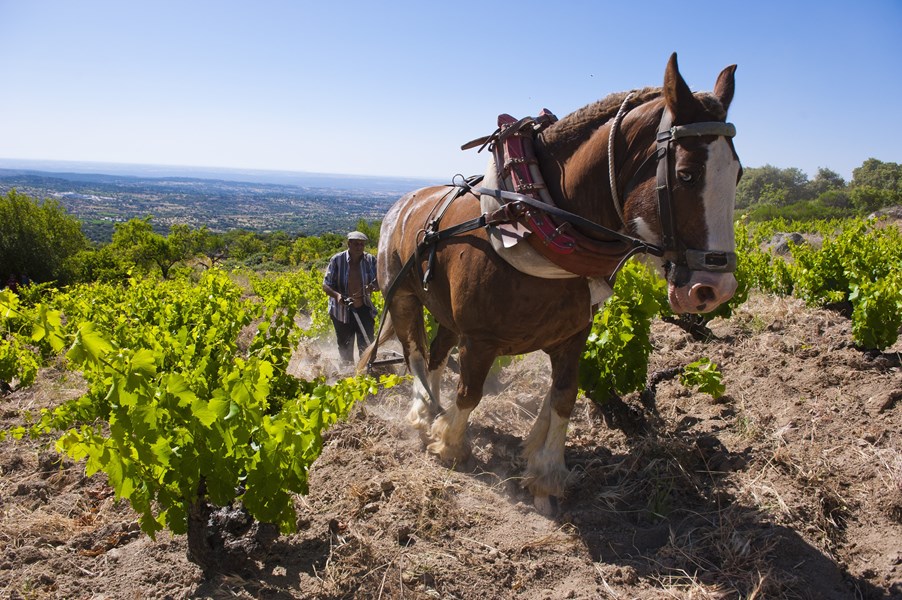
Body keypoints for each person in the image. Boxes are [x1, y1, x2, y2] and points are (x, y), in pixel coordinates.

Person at [322, 231, 379, 363]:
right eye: (356, 244)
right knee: (345, 348)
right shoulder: (337, 260)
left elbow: (379, 281)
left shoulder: (370, 260)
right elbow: (326, 285)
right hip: (341, 312)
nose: (359, 247)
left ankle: (366, 374)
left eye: (362, 244)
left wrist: (373, 287)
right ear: (349, 244)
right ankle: (348, 375)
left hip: (364, 308)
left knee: (367, 346)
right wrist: (338, 296)